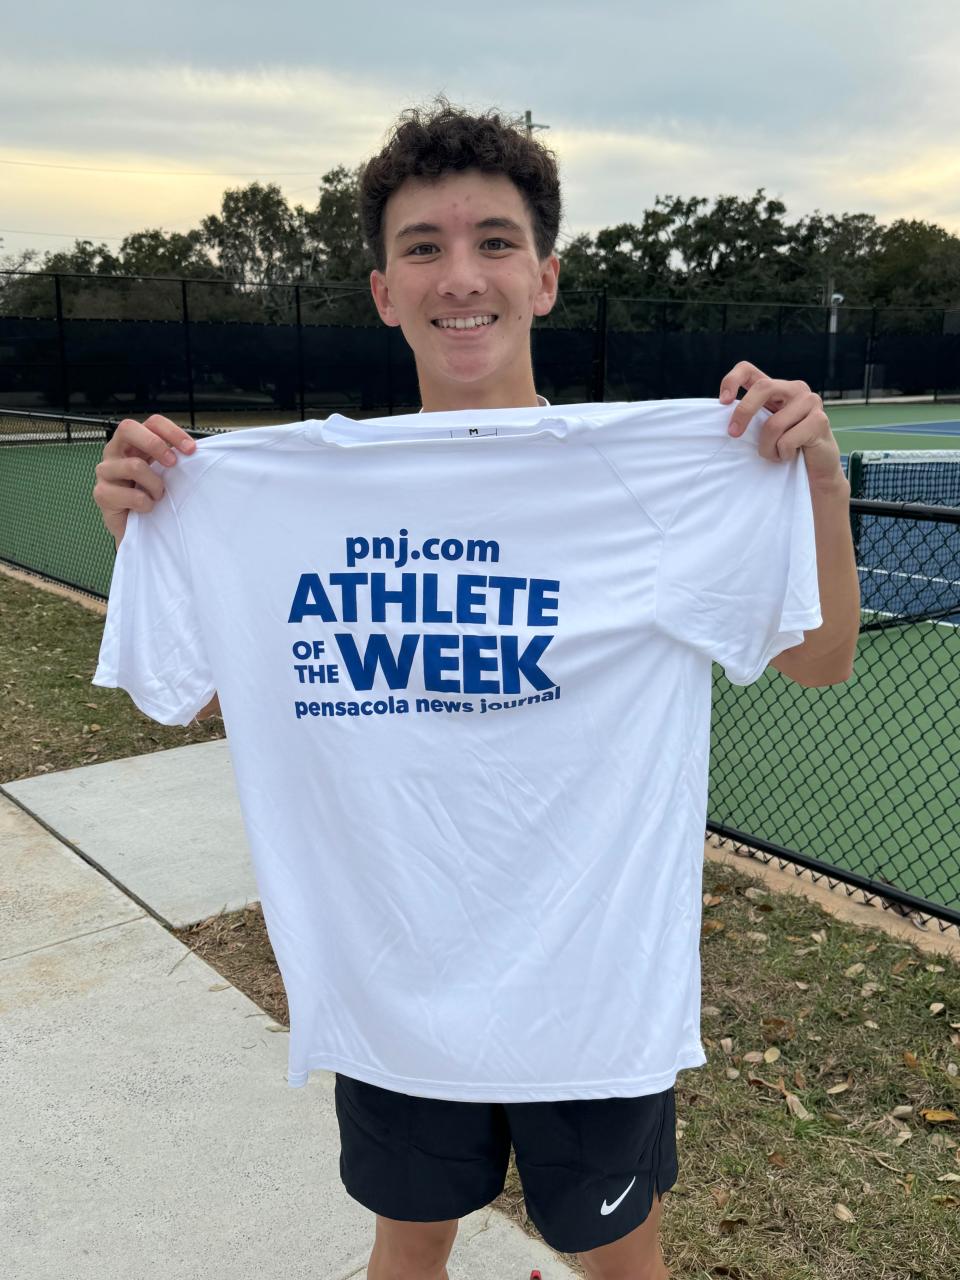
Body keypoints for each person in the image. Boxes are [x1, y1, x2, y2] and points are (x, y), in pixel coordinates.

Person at [92, 101, 859, 1280]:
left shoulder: (647, 474)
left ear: (545, 279)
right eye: (424, 246)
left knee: (618, 1262)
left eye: (496, 242)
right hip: (392, 988)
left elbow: (819, 659)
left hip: (591, 995)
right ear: (383, 290)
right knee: (407, 1254)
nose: (464, 275)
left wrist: (817, 489)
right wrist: (152, 535)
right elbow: (197, 695)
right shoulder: (277, 497)